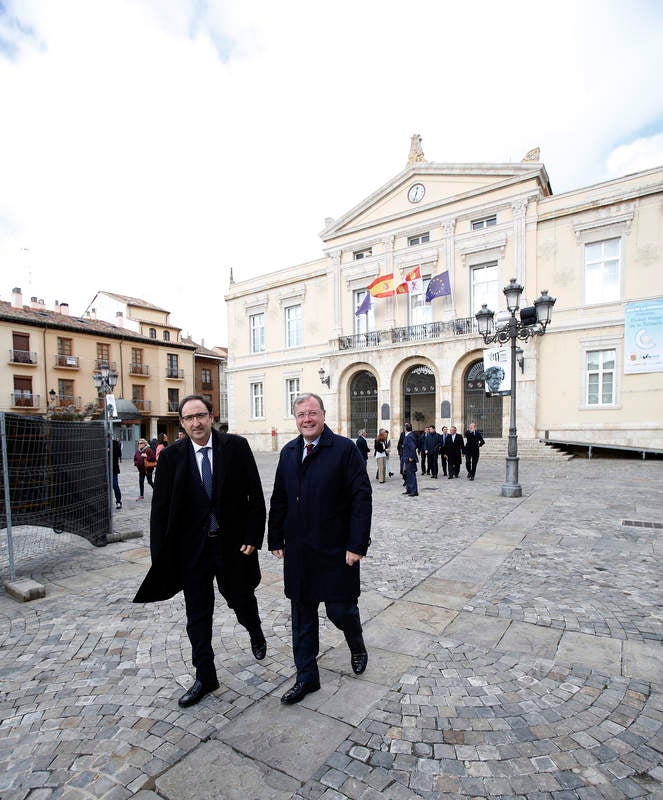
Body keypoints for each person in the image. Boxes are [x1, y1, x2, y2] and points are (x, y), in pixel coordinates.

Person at [134, 395, 267, 708]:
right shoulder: (171, 458)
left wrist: (253, 535)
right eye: (189, 417)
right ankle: (205, 676)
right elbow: (160, 511)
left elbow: (255, 497)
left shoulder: (236, 447)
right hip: (192, 551)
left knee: (241, 599)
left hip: (232, 546)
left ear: (211, 416)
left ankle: (255, 630)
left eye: (201, 416)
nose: (196, 423)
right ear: (181, 422)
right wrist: (161, 558)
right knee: (197, 616)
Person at [268, 392, 372, 705]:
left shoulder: (344, 449)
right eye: (301, 415)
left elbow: (361, 498)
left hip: (337, 550)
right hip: (299, 551)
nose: (307, 420)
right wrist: (274, 537)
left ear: (323, 415)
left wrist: (357, 544)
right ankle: (306, 678)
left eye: (312, 413)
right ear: (295, 419)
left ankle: (356, 644)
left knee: (340, 611)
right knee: (302, 618)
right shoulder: (288, 452)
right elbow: (280, 498)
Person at [402, 422, 419, 497]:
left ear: (406, 428)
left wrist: (411, 457)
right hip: (406, 458)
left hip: (409, 458)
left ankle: (414, 491)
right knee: (408, 475)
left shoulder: (410, 436)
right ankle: (409, 489)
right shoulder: (408, 435)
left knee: (411, 475)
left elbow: (413, 447)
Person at [112, 437, 122, 510]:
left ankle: (118, 501)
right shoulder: (100, 442)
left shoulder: (114, 443)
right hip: (102, 470)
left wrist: (110, 451)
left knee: (115, 485)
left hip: (113, 469)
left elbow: (119, 454)